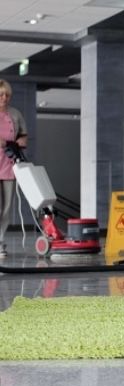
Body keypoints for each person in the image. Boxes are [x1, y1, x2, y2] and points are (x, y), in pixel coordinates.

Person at [0, 79, 28, 258]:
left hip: (9, 165)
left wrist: (21, 141)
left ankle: (0, 240)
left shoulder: (15, 114)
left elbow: (23, 135)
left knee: (7, 207)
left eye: (7, 95)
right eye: (1, 95)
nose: (4, 98)